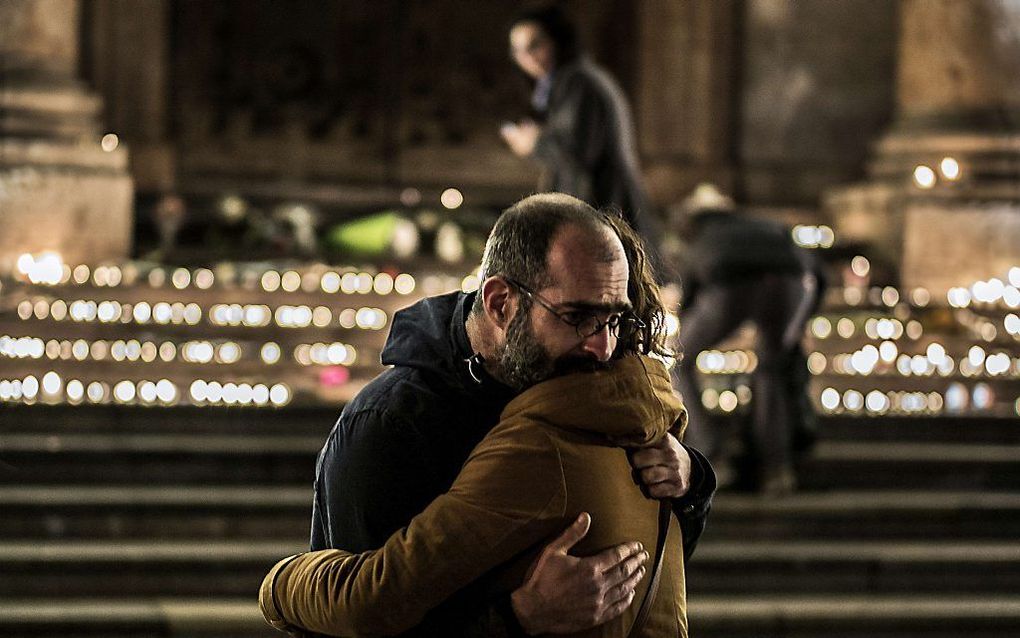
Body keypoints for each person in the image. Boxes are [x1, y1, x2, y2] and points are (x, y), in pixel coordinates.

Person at [291, 193, 715, 636]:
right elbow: (357, 621)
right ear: (499, 303)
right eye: (578, 317)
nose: (603, 346)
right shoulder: (391, 425)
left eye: (613, 320)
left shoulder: (588, 388)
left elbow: (656, 566)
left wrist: (690, 480)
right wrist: (518, 618)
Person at [262, 354, 690, 637]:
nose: (599, 341)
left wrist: (279, 587)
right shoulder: (645, 421)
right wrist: (696, 474)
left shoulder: (540, 445)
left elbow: (374, 599)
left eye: (607, 319)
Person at [669, 184, 822, 497]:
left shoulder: (702, 236)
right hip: (793, 283)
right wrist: (799, 324)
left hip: (733, 286)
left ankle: (712, 454)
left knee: (678, 357)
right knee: (770, 369)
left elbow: (690, 293)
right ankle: (776, 469)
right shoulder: (759, 225)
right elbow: (818, 273)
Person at [500, 6, 657, 246]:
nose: (527, 58)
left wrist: (534, 143)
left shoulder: (578, 82)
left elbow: (577, 152)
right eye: (518, 50)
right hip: (604, 211)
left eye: (535, 45)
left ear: (557, 41)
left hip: (605, 211)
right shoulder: (574, 80)